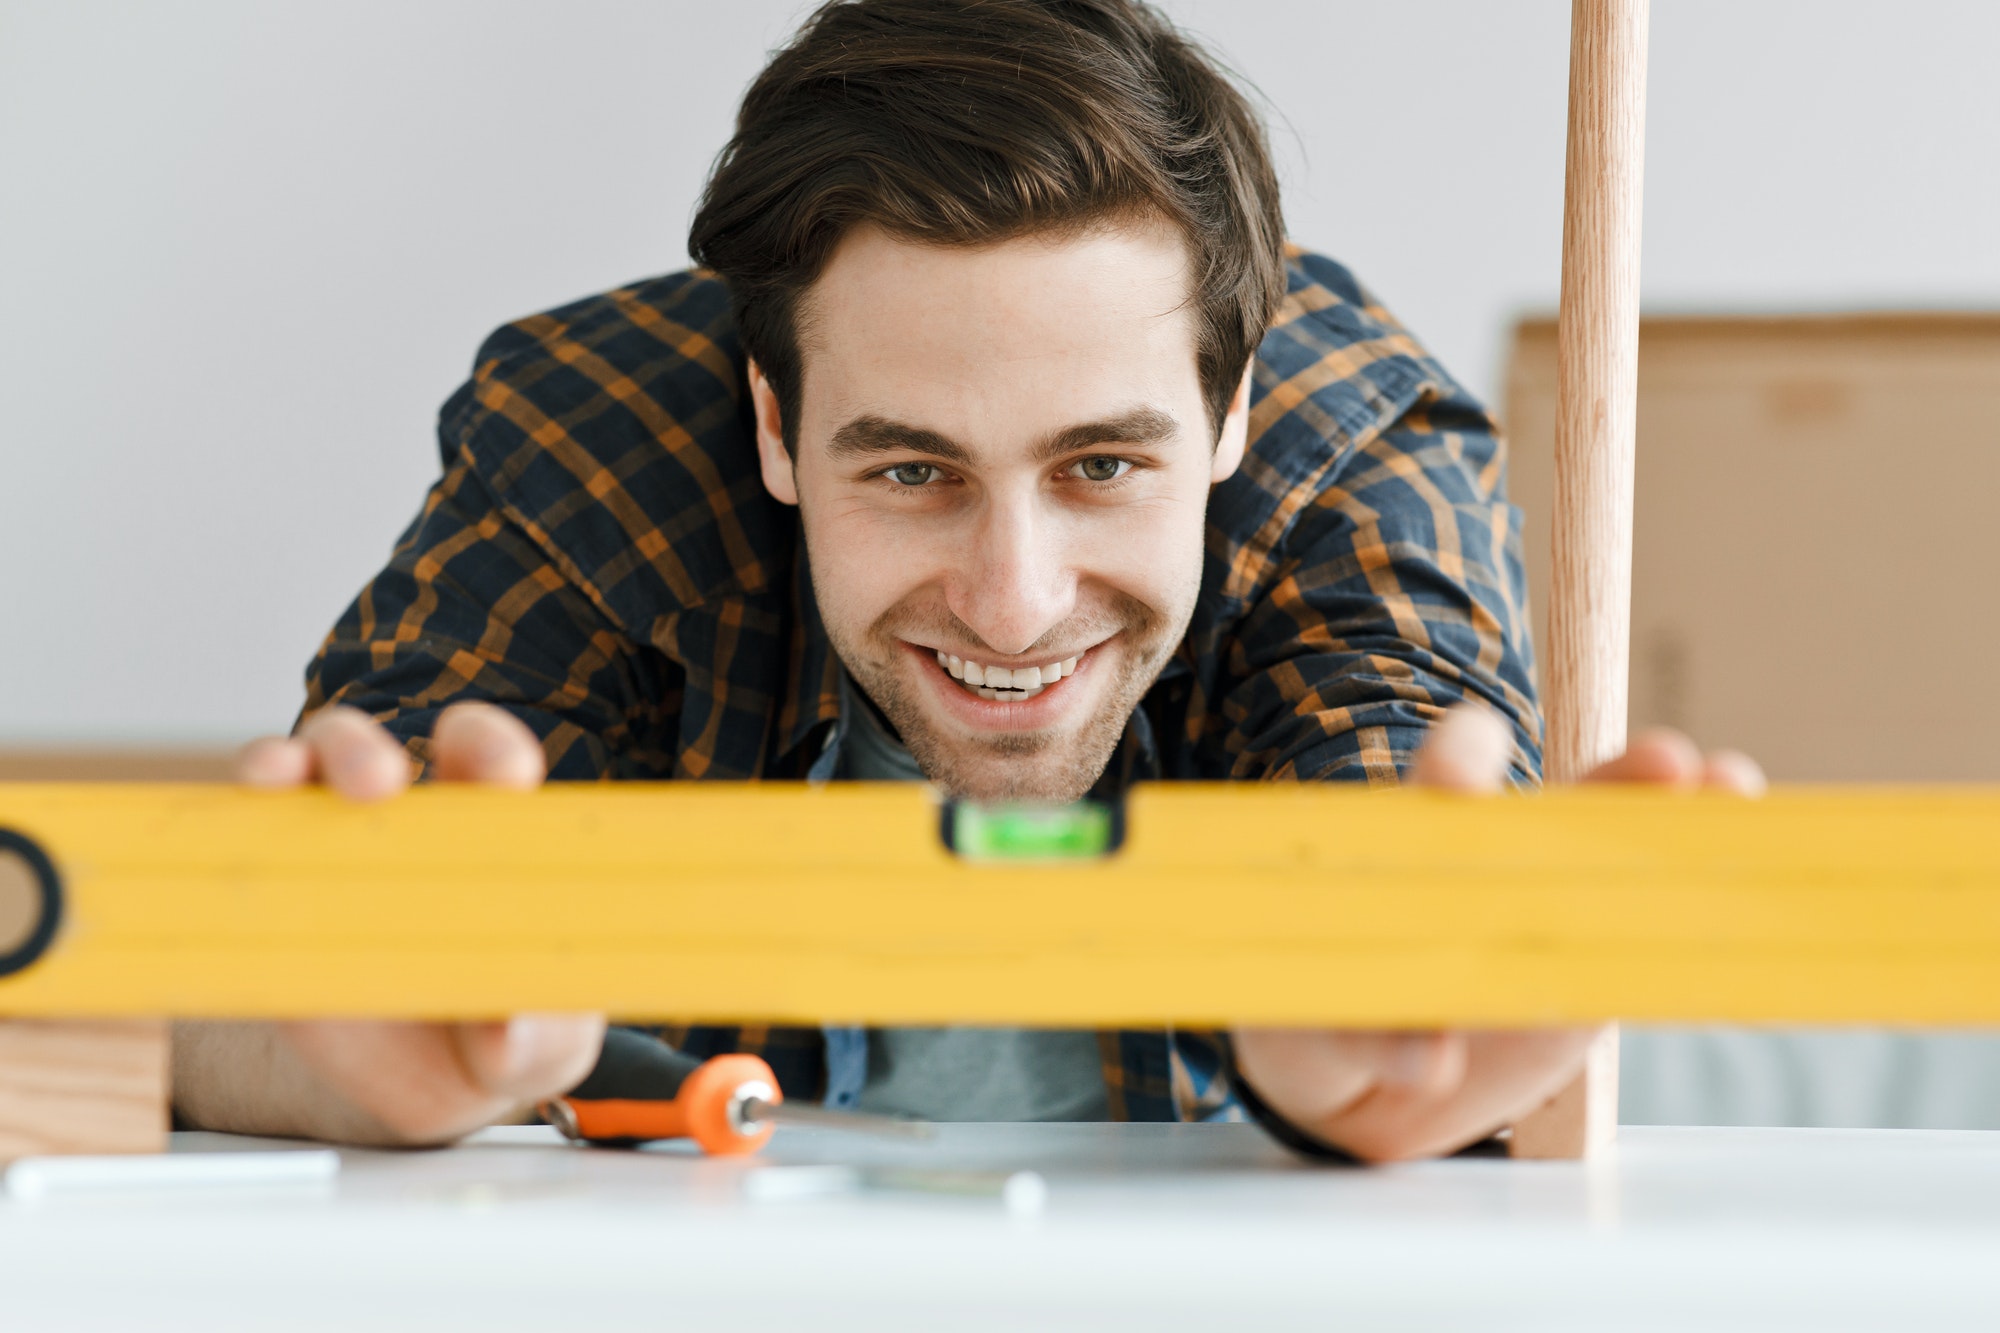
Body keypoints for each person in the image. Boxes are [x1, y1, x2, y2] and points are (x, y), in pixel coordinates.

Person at [172, 0, 1761, 1161]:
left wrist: (1375, 1010)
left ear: (1233, 417)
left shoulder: (1360, 462)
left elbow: (1398, 819)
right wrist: (352, 1056)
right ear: (776, 424)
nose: (1012, 602)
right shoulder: (592, 456)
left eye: (1102, 467)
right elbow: (241, 987)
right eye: (913, 470)